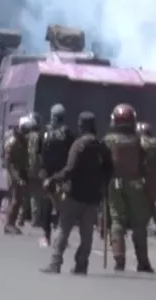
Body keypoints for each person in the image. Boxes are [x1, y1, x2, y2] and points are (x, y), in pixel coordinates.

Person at [41, 112, 113, 274]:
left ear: (82, 126)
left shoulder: (78, 145)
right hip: (93, 198)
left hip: (74, 195)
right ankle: (82, 265)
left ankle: (55, 263)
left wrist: (53, 179)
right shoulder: (102, 147)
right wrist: (102, 187)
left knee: (63, 230)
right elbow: (109, 171)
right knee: (86, 235)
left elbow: (70, 169)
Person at [103, 104, 154, 272]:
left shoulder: (108, 141)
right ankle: (143, 261)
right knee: (139, 224)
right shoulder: (140, 140)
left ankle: (119, 260)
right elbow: (149, 160)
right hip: (136, 184)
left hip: (114, 184)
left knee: (117, 220)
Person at [40, 104, 75, 238]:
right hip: (63, 173)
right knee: (63, 202)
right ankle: (61, 232)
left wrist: (42, 169)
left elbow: (39, 152)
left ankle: (46, 233)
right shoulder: (68, 134)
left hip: (48, 173)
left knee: (47, 202)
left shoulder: (45, 133)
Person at [4, 116, 32, 235]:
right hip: (14, 173)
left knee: (18, 199)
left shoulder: (22, 139)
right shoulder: (13, 141)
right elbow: (8, 163)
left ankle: (11, 223)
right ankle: (9, 224)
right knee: (15, 200)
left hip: (20, 171)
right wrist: (17, 177)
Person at [138, 121, 156, 236]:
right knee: (149, 203)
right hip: (153, 178)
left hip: (146, 177)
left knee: (146, 203)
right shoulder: (154, 144)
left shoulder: (145, 143)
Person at [23, 112, 45, 231]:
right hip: (36, 169)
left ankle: (20, 218)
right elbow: (42, 154)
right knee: (36, 195)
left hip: (25, 168)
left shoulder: (24, 137)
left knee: (23, 193)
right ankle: (35, 220)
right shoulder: (40, 137)